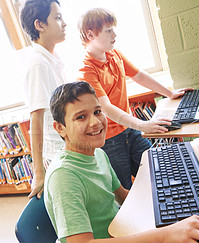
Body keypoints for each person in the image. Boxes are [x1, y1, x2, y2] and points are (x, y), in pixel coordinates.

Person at [44, 80, 199, 243]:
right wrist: (169, 234)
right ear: (60, 128)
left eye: (97, 112)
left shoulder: (98, 154)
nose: (96, 122)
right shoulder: (64, 176)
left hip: (122, 237)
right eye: (81, 117)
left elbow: (123, 198)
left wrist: (172, 200)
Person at [78, 8, 192, 189]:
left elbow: (139, 76)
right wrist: (142, 124)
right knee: (124, 190)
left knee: (158, 169)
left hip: (129, 129)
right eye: (108, 30)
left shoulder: (114, 54)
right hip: (109, 139)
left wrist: (169, 93)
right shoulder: (85, 71)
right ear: (90, 34)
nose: (114, 34)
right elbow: (106, 108)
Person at [20, 0, 67, 198]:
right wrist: (39, 173)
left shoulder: (51, 59)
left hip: (67, 147)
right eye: (57, 17)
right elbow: (36, 120)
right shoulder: (38, 63)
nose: (64, 23)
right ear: (40, 25)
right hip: (58, 154)